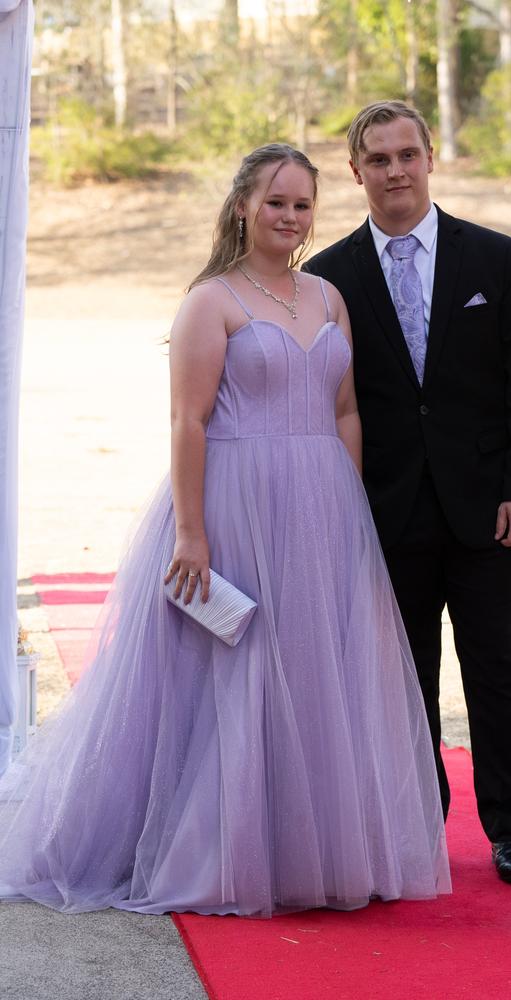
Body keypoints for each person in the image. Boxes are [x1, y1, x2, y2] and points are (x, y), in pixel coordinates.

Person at [0, 143, 450, 916]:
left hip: (323, 508)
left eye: (303, 204)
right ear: (243, 204)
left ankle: (303, 852)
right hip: (235, 504)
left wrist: (348, 509)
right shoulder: (211, 301)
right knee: (231, 680)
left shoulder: (328, 297)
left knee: (314, 676)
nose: (289, 216)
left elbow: (345, 410)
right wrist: (192, 532)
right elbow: (188, 420)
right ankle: (217, 852)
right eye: (276, 201)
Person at [303, 102, 511, 884]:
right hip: (385, 511)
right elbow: (325, 400)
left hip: (488, 510)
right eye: (378, 159)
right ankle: (416, 825)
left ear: (431, 156)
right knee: (401, 676)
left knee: (497, 670)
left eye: (407, 153)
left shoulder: (496, 258)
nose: (396, 170)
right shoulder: (327, 278)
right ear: (356, 172)